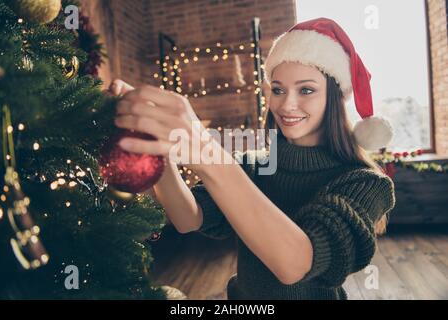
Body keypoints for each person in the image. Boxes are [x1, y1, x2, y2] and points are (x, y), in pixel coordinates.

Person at [111, 18, 396, 300]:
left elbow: (296, 264)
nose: (286, 104)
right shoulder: (251, 164)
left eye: (306, 90)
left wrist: (210, 155)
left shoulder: (365, 182)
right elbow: (187, 219)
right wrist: (155, 149)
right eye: (278, 89)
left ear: (333, 97)